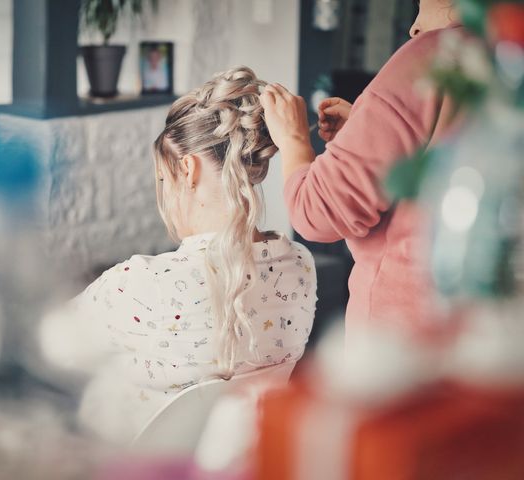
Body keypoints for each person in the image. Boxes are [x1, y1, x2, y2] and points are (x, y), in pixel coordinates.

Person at [40, 66, 317, 444]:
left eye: (163, 179)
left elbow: (47, 345)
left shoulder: (140, 284)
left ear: (187, 169)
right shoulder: (300, 265)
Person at [259, 0, 462, 336]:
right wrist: (367, 136)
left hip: (405, 337)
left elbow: (318, 212)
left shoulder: (434, 57)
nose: (413, 27)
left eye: (423, 4)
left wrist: (294, 141)